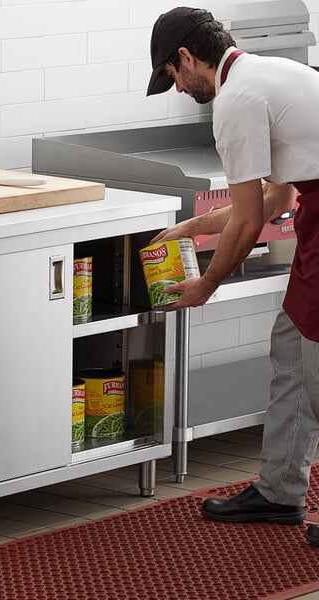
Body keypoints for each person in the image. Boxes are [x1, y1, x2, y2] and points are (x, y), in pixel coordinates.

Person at [146, 6, 319, 545]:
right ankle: (278, 492)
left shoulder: (237, 101)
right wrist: (194, 227)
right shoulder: (268, 73)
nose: (176, 89)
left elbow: (248, 220)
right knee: (293, 347)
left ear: (186, 57)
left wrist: (205, 285)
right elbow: (277, 197)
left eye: (171, 76)